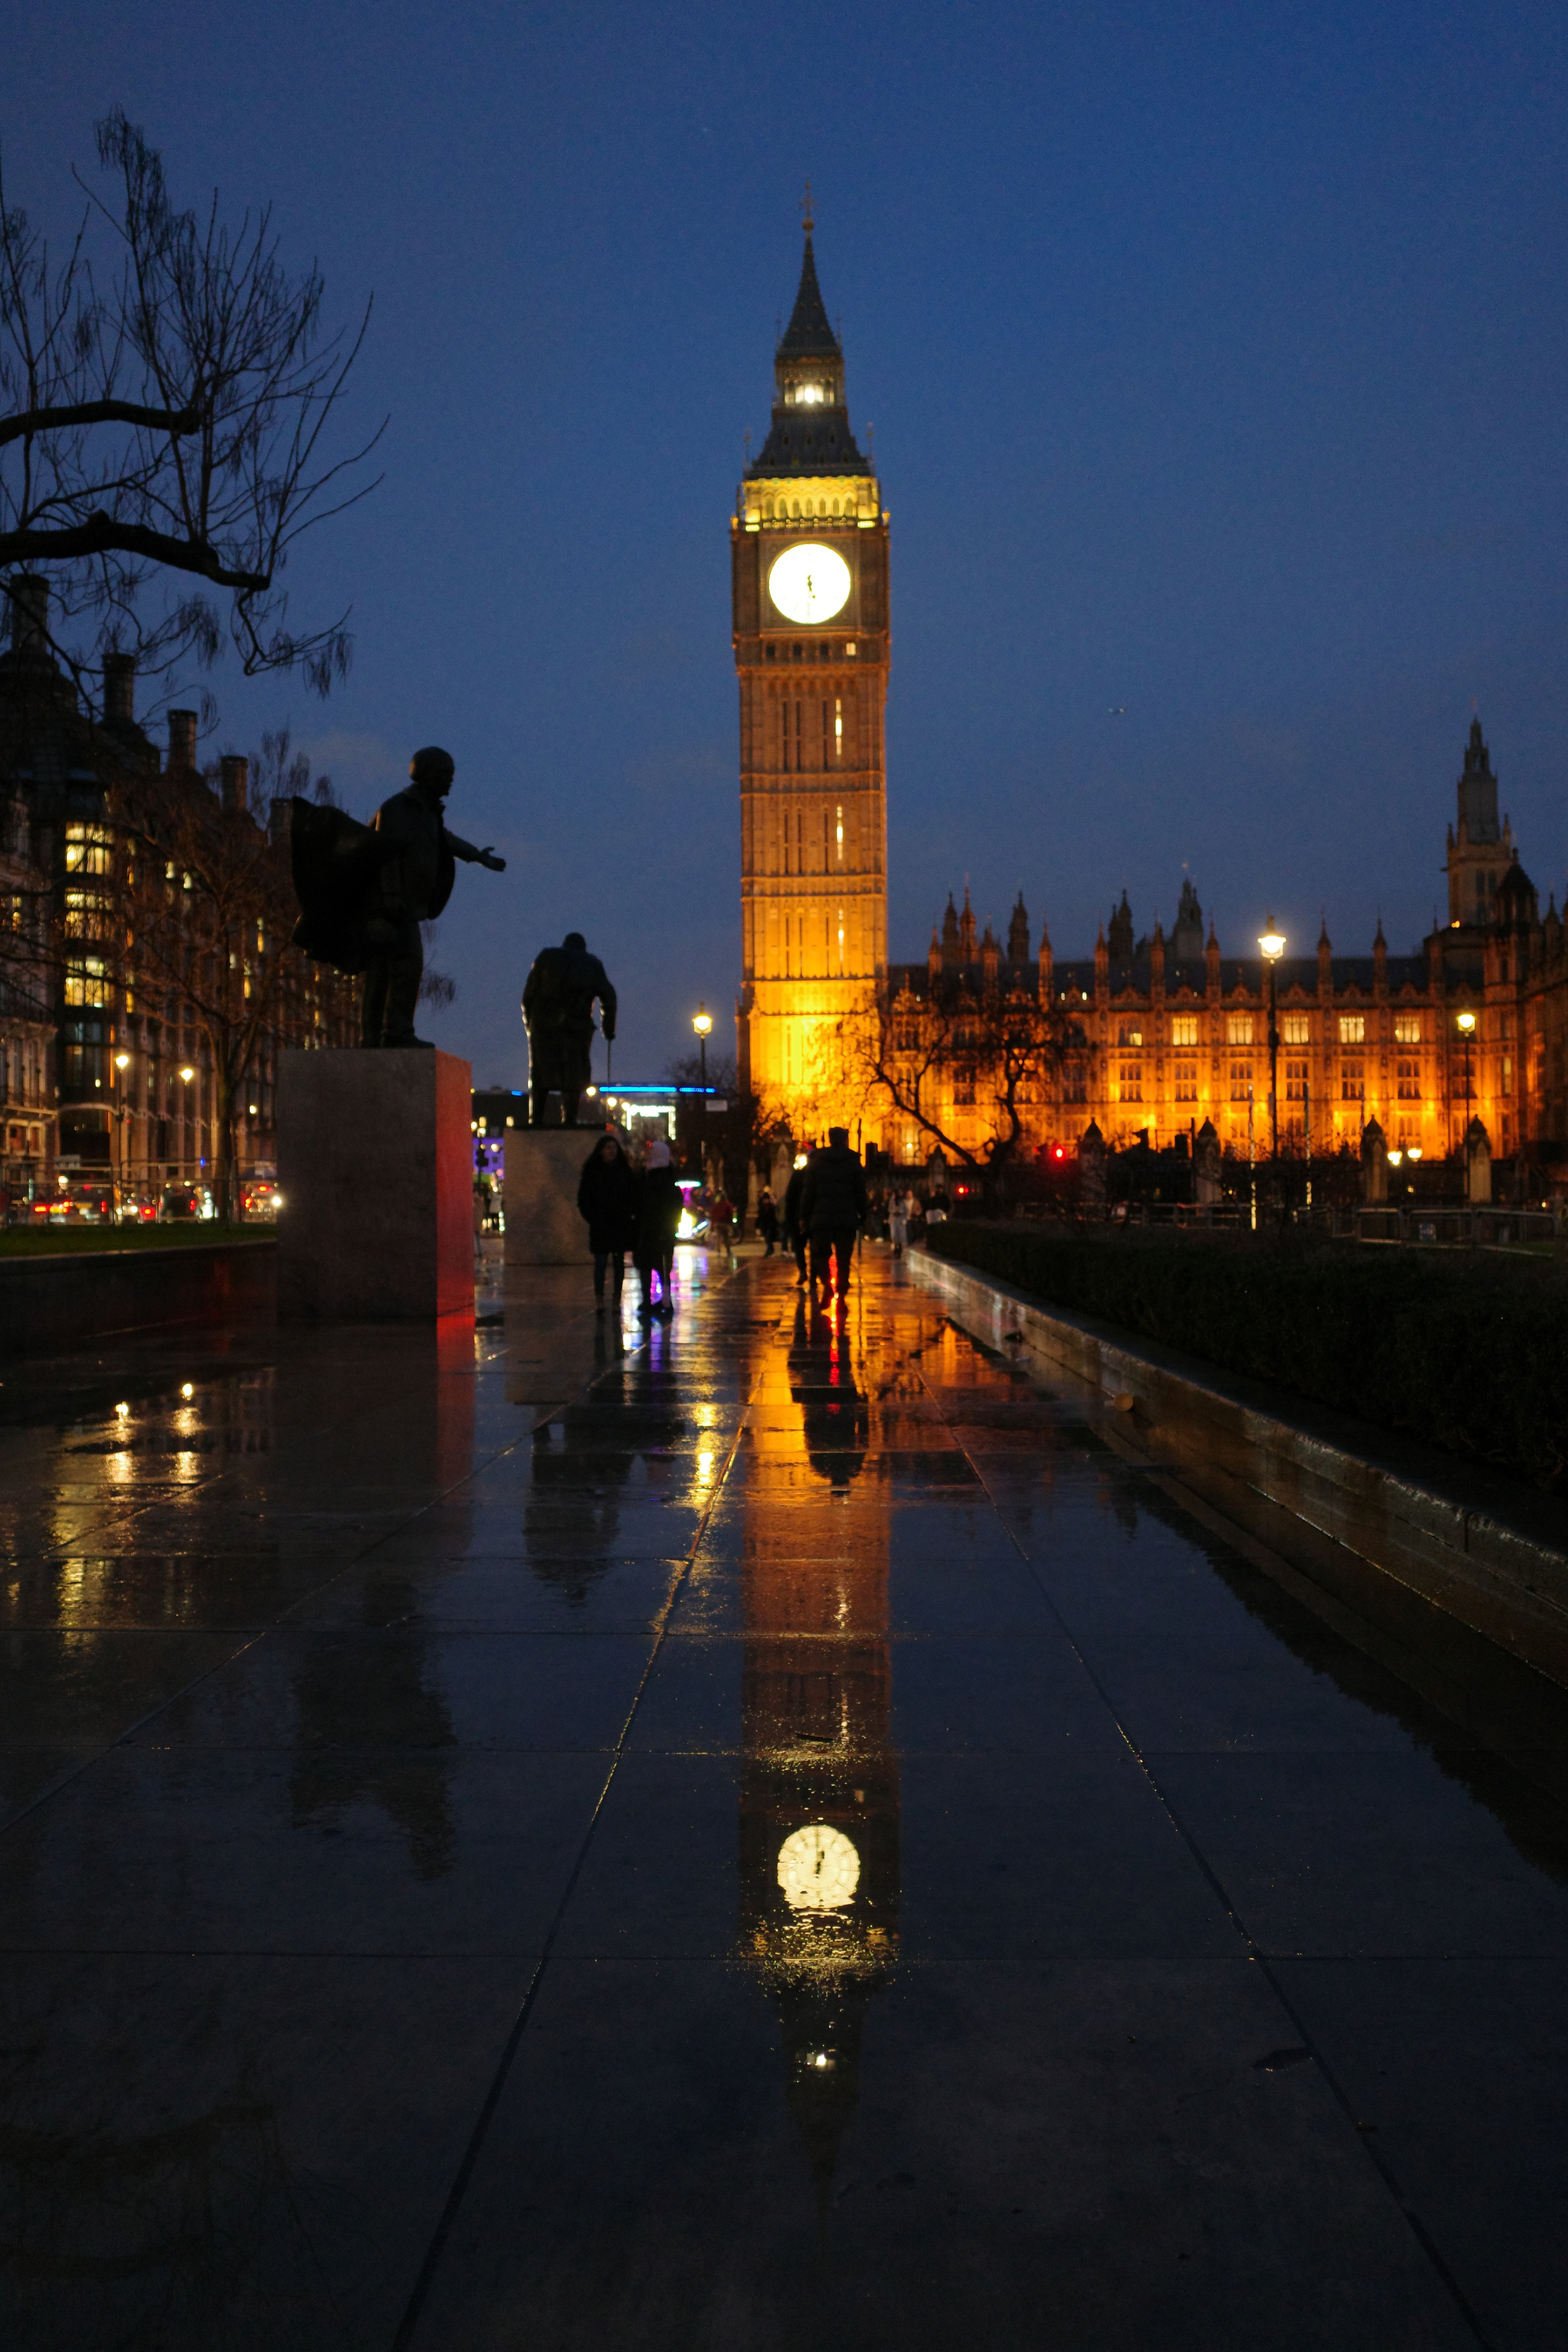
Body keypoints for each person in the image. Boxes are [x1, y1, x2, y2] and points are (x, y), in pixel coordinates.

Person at [362, 748, 505, 1048]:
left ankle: (380, 1036)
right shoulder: (399, 808)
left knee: (391, 970)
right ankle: (393, 1033)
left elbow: (446, 840)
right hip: (388, 907)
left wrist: (479, 856)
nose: (450, 781)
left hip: (403, 907)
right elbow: (385, 852)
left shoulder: (426, 813)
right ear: (425, 773)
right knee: (400, 966)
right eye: (444, 774)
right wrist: (390, 897)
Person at [521, 933, 617, 1127]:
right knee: (574, 1073)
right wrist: (608, 1028)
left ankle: (536, 1119)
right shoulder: (592, 964)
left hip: (543, 1025)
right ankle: (570, 1120)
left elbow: (528, 996)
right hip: (577, 1026)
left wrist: (530, 1024)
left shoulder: (546, 957)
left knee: (540, 1071)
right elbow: (609, 997)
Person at [801, 1125, 868, 1303]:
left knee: (819, 1255)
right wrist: (864, 1215)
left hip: (821, 1217)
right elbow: (861, 1192)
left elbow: (808, 1193)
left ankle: (827, 1285)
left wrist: (804, 1217)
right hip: (846, 1218)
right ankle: (842, 1293)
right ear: (845, 1139)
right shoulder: (853, 1162)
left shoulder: (816, 1162)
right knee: (844, 1259)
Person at [577, 1130, 638, 1314]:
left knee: (619, 1264)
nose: (611, 1151)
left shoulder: (624, 1171)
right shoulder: (592, 1171)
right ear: (601, 1150)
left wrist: (628, 1215)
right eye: (608, 1148)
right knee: (601, 1262)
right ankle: (599, 1298)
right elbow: (584, 1199)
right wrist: (593, 1218)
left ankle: (616, 1298)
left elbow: (632, 1196)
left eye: (614, 1148)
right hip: (601, 1225)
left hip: (619, 1224)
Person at [634, 1139, 683, 1321]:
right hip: (660, 1230)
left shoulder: (651, 1177)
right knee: (660, 1266)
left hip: (651, 1228)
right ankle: (664, 1299)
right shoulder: (667, 1176)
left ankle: (652, 1300)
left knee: (650, 1266)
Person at [781, 1152, 809, 1287]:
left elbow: (790, 1197)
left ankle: (803, 1270)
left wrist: (789, 1217)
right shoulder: (817, 1175)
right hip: (812, 1216)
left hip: (797, 1217)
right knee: (816, 1246)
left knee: (798, 1246)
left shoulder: (797, 1175)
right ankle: (814, 1274)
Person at [755, 1185, 779, 1256]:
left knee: (769, 1238)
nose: (765, 1201)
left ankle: (769, 1251)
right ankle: (770, 1250)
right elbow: (760, 1217)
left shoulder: (771, 1207)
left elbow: (774, 1216)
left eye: (766, 1199)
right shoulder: (762, 1207)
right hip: (765, 1225)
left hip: (771, 1225)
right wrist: (758, 1225)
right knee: (767, 1238)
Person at [888, 1187, 909, 1259]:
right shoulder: (891, 1200)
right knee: (894, 1234)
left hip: (900, 1219)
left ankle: (899, 1248)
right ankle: (895, 1247)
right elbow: (890, 1209)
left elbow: (905, 1209)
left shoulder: (902, 1201)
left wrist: (900, 1212)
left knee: (900, 1234)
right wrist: (894, 1212)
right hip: (894, 1220)